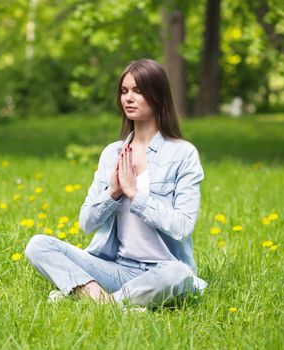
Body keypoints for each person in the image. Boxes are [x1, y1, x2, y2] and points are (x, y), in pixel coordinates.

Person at [25, 59, 207, 307]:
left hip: (164, 271)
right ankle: (112, 303)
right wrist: (113, 194)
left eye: (138, 91)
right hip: (117, 269)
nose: (128, 98)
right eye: (124, 91)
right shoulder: (113, 153)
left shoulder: (182, 154)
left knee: (179, 275)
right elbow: (86, 222)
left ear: (158, 95)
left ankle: (93, 299)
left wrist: (136, 195)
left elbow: (183, 226)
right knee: (38, 245)